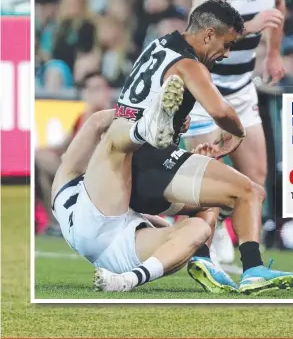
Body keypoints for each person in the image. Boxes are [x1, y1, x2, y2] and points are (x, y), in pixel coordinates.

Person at [115, 0, 293, 294]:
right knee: (251, 190)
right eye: (227, 44)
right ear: (208, 35)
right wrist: (237, 132)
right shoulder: (190, 64)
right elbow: (221, 113)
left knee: (207, 191)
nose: (227, 53)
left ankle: (204, 259)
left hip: (124, 168)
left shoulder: (159, 45)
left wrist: (178, 122)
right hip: (148, 168)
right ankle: (253, 269)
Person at [51, 85, 215, 293]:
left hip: (116, 256)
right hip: (95, 225)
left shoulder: (89, 183)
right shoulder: (69, 174)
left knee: (200, 224)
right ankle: (148, 125)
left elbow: (148, 219)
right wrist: (157, 116)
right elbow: (97, 122)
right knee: (116, 137)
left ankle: (128, 280)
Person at [185, 0, 286, 267]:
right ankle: (209, 238)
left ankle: (249, 254)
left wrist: (274, 54)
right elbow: (200, 34)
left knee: (256, 174)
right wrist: (252, 26)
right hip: (204, 87)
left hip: (242, 88)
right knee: (207, 172)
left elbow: (278, 7)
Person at [35, 71, 112, 236]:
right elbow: (66, 145)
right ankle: (55, 222)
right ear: (85, 93)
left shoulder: (110, 117)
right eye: (93, 89)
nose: (97, 94)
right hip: (78, 172)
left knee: (43, 161)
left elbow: (89, 154)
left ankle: (59, 222)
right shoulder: (84, 117)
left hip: (96, 176)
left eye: (100, 88)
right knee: (39, 159)